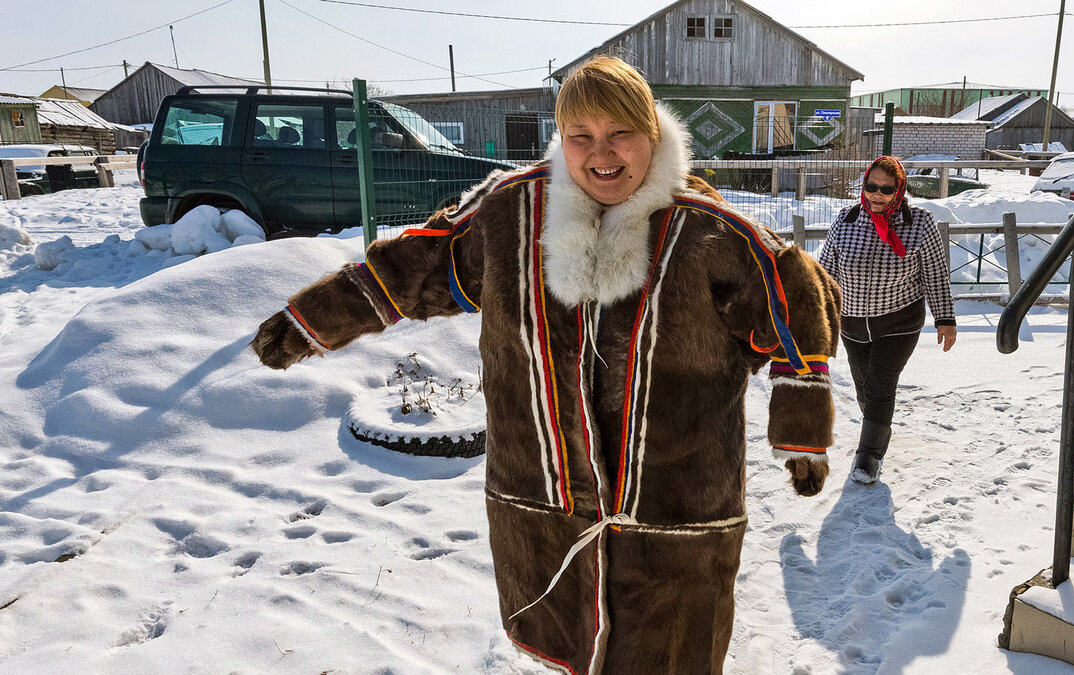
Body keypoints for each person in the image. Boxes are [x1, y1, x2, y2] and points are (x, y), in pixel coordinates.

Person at [251, 56, 840, 674]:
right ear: (561, 139)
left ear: (653, 135)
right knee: (571, 646)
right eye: (581, 136)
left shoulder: (710, 229)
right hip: (545, 502)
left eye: (621, 134)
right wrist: (313, 320)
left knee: (670, 655)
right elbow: (417, 267)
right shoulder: (512, 215)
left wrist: (802, 430)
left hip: (676, 513)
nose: (601, 153)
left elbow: (796, 297)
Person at [818, 156, 956, 486]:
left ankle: (869, 457)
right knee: (865, 389)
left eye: (886, 189)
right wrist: (818, 312)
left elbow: (935, 275)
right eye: (871, 187)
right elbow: (826, 271)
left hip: (899, 322)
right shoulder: (847, 219)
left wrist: (945, 318)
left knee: (881, 385)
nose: (877, 195)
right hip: (852, 323)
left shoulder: (920, 223)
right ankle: (877, 429)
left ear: (899, 191)